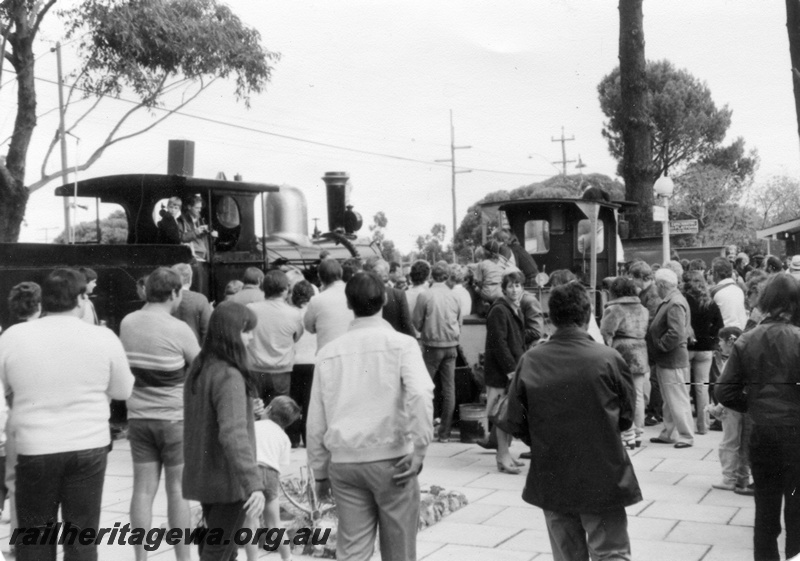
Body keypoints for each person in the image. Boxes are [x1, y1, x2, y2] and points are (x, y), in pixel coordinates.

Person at [0, 268, 134, 561]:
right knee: (82, 537)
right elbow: (124, 390)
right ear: (81, 298)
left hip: (33, 448)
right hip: (88, 446)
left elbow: (5, 386)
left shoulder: (13, 337)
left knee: (34, 537)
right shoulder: (104, 337)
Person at [505, 281, 641, 561]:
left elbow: (515, 421)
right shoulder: (609, 358)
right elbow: (627, 419)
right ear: (588, 314)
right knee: (611, 553)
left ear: (550, 317)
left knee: (567, 556)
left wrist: (545, 440)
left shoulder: (531, 360)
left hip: (553, 472)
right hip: (603, 470)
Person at [307, 272, 434, 561]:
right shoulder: (402, 345)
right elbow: (421, 393)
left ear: (348, 304)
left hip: (345, 462)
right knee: (399, 550)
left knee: (352, 551)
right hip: (393, 460)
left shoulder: (328, 352)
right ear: (386, 300)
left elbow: (316, 418)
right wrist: (421, 448)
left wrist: (319, 470)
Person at [716, 274, 800, 561]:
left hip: (762, 432)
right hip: (795, 433)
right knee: (797, 509)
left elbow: (724, 392)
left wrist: (753, 404)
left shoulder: (746, 340)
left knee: (765, 508)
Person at [119, 267, 201, 561]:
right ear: (175, 293)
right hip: (174, 420)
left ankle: (141, 558)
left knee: (142, 491)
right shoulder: (178, 329)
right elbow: (201, 367)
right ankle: (183, 559)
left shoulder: (128, 322)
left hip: (139, 419)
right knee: (178, 492)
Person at [183, 302, 265, 561]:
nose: (251, 337)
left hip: (205, 473)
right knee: (218, 551)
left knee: (221, 547)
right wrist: (254, 483)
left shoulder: (200, 367)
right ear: (230, 333)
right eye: (245, 331)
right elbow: (232, 433)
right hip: (229, 479)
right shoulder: (229, 375)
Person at [244, 396, 301, 561]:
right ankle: (287, 557)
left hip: (252, 472)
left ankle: (252, 559)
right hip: (271, 475)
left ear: (268, 409)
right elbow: (282, 464)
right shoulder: (284, 438)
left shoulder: (254, 426)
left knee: (251, 523)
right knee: (275, 524)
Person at [482, 270, 527, 473]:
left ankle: (505, 454)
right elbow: (498, 343)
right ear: (504, 289)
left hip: (510, 370)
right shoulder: (500, 310)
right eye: (511, 286)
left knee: (506, 414)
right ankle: (502, 456)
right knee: (502, 415)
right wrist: (510, 370)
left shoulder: (512, 308)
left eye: (518, 285)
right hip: (502, 373)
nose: (515, 289)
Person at [412, 262, 462, 442]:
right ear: (447, 276)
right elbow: (459, 322)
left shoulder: (425, 295)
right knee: (449, 390)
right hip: (451, 346)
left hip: (431, 346)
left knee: (425, 387)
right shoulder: (455, 296)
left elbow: (416, 322)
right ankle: (445, 434)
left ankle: (424, 429)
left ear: (432, 276)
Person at [600, 276, 650, 447]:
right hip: (641, 352)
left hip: (621, 352)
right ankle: (638, 433)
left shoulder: (614, 309)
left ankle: (627, 432)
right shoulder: (643, 309)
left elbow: (606, 333)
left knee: (621, 394)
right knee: (638, 394)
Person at [648, 268, 695, 448]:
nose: (654, 288)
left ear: (661, 285)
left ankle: (686, 435)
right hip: (669, 359)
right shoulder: (673, 299)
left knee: (677, 398)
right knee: (670, 399)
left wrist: (660, 345)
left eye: (655, 284)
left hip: (672, 359)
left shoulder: (674, 302)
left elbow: (676, 333)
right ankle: (669, 433)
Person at [247, 269, 304, 405]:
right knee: (279, 414)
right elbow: (296, 338)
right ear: (285, 289)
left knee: (255, 413)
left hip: (255, 370)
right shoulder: (293, 314)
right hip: (281, 372)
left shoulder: (250, 309)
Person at [706, 326, 750, 492]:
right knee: (742, 443)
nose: (719, 344)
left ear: (730, 341)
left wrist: (719, 406)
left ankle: (729, 478)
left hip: (732, 407)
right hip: (741, 406)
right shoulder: (743, 358)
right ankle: (742, 478)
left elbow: (732, 387)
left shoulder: (734, 361)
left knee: (729, 442)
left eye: (721, 340)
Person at [684, 271, 723, 435]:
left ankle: (685, 425)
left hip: (687, 347)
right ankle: (703, 425)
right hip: (706, 348)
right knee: (702, 387)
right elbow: (719, 325)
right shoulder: (710, 303)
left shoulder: (684, 301)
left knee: (684, 388)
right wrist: (710, 337)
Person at [630, 260, 663, 427]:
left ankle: (655, 412)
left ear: (639, 277)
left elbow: (651, 319)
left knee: (655, 378)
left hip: (652, 340)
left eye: (633, 278)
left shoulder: (652, 293)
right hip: (649, 340)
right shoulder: (648, 291)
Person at [288, 280, 317, 447]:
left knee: (293, 401)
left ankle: (292, 438)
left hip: (293, 361)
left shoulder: (289, 313)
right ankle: (308, 439)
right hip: (312, 361)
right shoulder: (315, 313)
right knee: (309, 403)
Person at [304, 259, 353, 353]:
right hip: (349, 352)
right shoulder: (353, 294)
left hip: (326, 354)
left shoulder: (316, 300)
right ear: (341, 273)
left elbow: (309, 327)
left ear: (319, 276)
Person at [364, 257, 414, 336]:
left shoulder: (362, 294)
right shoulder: (398, 294)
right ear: (387, 273)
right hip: (395, 340)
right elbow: (406, 323)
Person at [171, 263, 213, 344]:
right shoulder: (200, 299)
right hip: (195, 350)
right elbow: (207, 332)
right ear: (190, 279)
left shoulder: (166, 299)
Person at [710, 257, 747, 329]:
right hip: (741, 330)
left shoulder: (714, 292)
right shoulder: (739, 290)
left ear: (716, 274)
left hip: (724, 333)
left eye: (712, 272)